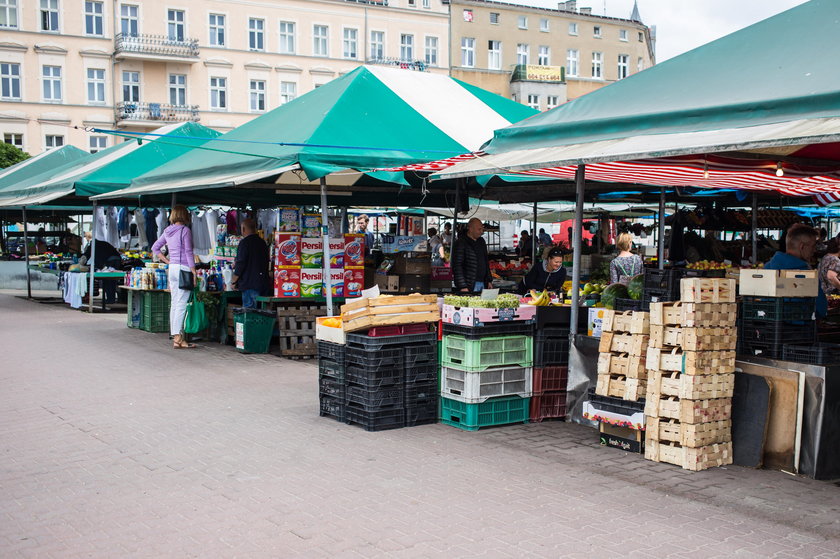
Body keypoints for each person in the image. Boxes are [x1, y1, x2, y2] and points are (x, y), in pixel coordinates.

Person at [152, 205, 197, 349]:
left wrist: (167, 261)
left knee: (175, 302)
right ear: (185, 216)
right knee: (182, 303)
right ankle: (178, 337)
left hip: (172, 269)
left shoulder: (167, 231)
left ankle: (176, 336)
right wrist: (194, 272)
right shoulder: (185, 230)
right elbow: (189, 252)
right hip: (183, 268)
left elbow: (155, 248)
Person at [765, 223, 827, 317]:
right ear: (802, 247)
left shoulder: (767, 268)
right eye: (813, 246)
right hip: (799, 329)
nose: (814, 250)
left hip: (768, 328)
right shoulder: (807, 275)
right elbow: (820, 309)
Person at [231, 218, 271, 308]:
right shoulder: (262, 242)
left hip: (249, 285)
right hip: (263, 284)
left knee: (250, 315)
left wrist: (233, 281)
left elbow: (241, 264)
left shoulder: (244, 243)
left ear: (243, 229)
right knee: (261, 315)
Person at [451, 217, 492, 293]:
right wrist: (462, 286)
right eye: (479, 229)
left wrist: (488, 280)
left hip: (483, 283)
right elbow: (457, 266)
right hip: (469, 284)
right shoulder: (461, 242)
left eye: (482, 229)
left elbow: (486, 262)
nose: (481, 231)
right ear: (470, 229)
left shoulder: (481, 241)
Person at [80, 238, 122, 304]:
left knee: (107, 280)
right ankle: (111, 299)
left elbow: (86, 256)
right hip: (117, 259)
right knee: (112, 280)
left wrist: (81, 264)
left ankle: (110, 300)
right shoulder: (103, 243)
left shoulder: (93, 246)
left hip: (109, 261)